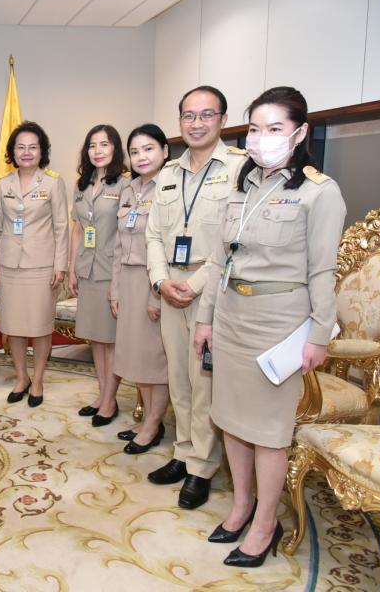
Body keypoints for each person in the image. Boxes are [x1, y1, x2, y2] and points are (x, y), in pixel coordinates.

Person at [193, 86, 345, 567]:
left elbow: (323, 271)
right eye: (256, 129)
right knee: (231, 422)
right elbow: (220, 260)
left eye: (275, 128)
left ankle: (265, 523)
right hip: (231, 318)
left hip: (278, 325)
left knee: (268, 433)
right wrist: (205, 318)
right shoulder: (242, 186)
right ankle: (240, 506)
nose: (262, 138)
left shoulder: (319, 192)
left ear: (299, 133)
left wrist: (319, 334)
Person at [144, 86, 248, 510]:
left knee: (204, 382)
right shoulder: (169, 173)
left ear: (222, 120)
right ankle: (184, 451)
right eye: (188, 115)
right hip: (171, 286)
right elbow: (153, 234)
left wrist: (197, 283)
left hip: (212, 290)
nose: (197, 123)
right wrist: (160, 281)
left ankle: (201, 467)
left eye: (206, 115)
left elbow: (236, 239)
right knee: (180, 379)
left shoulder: (240, 167)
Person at [0, 121, 69, 407]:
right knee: (14, 325)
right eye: (20, 147)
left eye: (32, 147)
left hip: (41, 266)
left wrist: (60, 265)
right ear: (12, 151)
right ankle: (21, 377)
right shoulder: (3, 183)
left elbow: (61, 227)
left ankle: (38, 380)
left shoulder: (53, 182)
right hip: (9, 265)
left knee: (40, 325)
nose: (26, 152)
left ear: (42, 151)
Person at [110, 124, 170, 453]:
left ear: (165, 151)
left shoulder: (170, 188)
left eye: (148, 149)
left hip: (153, 281)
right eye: (134, 152)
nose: (141, 157)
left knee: (152, 360)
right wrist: (115, 289)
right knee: (136, 357)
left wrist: (156, 295)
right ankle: (149, 417)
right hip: (128, 281)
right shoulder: (129, 189)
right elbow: (119, 244)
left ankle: (153, 423)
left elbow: (167, 248)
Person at [68, 125, 129, 427]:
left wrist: (118, 280)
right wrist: (71, 268)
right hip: (87, 269)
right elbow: (78, 229)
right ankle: (103, 394)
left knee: (111, 340)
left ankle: (110, 400)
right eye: (92, 145)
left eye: (104, 144)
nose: (98, 150)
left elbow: (127, 233)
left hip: (111, 270)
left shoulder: (125, 184)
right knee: (96, 338)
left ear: (115, 148)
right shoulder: (81, 185)